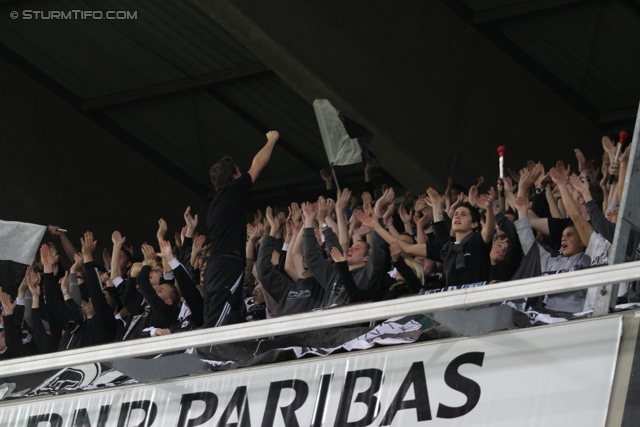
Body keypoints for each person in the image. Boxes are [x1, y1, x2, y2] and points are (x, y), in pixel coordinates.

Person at [203, 130, 279, 328]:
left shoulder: (214, 205)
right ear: (234, 176)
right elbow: (258, 164)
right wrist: (271, 140)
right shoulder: (233, 191)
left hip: (214, 266)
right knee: (220, 316)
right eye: (239, 171)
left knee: (224, 314)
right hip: (227, 265)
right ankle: (208, 354)